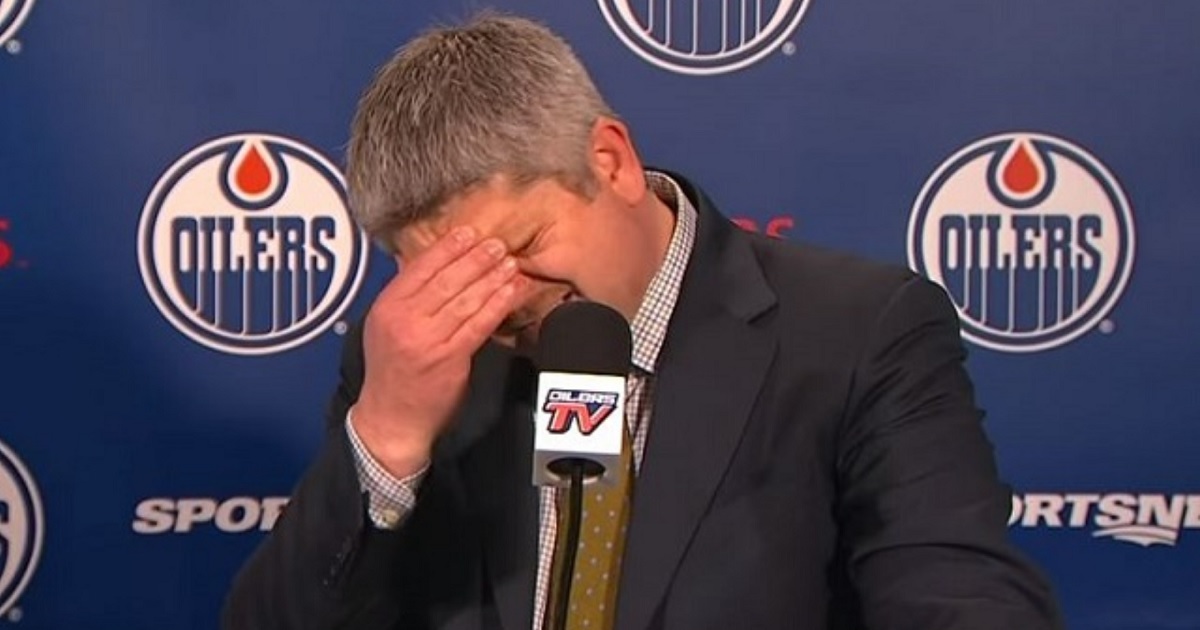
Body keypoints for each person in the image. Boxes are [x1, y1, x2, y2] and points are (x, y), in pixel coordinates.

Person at [221, 12, 1064, 630]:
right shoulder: (421, 355)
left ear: (611, 161)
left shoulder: (860, 332)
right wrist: (387, 440)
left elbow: (960, 599)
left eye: (524, 246)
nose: (503, 299)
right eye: (452, 273)